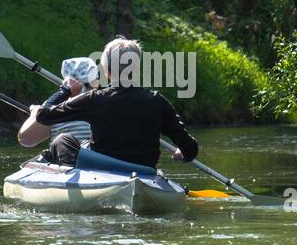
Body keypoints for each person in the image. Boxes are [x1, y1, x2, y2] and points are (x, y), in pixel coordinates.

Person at [18, 37, 199, 169]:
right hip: (143, 171)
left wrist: (63, 91)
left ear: (106, 71)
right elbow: (190, 149)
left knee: (62, 139)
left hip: (102, 169)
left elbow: (44, 115)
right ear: (137, 69)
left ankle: (54, 167)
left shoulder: (94, 99)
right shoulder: (157, 101)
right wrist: (181, 154)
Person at [19, 57, 99, 147]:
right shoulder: (107, 102)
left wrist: (35, 114)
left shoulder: (53, 110)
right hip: (94, 158)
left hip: (64, 158)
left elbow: (26, 140)